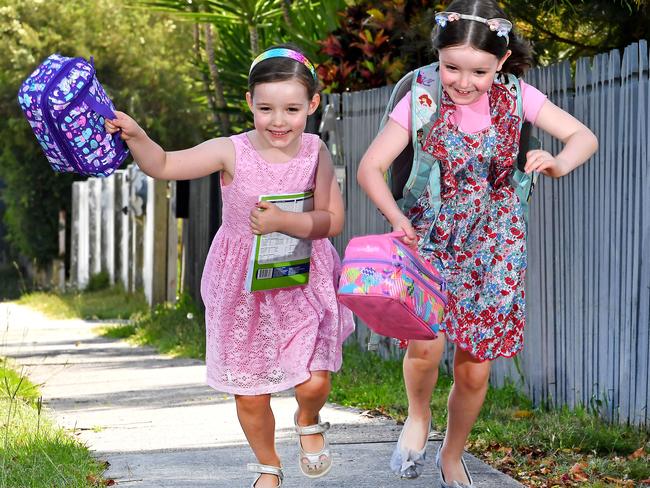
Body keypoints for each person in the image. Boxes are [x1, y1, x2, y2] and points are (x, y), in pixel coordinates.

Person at [356, 0, 598, 486]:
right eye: (451, 67)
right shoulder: (421, 97)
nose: (464, 82)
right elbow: (369, 167)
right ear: (437, 57)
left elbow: (583, 137)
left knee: (474, 370)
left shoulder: (518, 96)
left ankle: (452, 454)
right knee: (425, 345)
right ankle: (419, 413)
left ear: (501, 62)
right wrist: (397, 215)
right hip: (431, 237)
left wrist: (557, 161)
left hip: (496, 248)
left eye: (479, 72)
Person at [105, 44, 355, 488]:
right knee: (251, 392)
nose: (279, 121)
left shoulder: (315, 151)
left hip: (302, 278)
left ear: (312, 105)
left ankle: (308, 418)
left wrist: (285, 222)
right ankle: (268, 465)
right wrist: (138, 136)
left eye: (292, 109)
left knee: (314, 379)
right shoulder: (230, 151)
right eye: (266, 109)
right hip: (244, 286)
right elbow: (164, 164)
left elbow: (332, 220)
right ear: (250, 104)